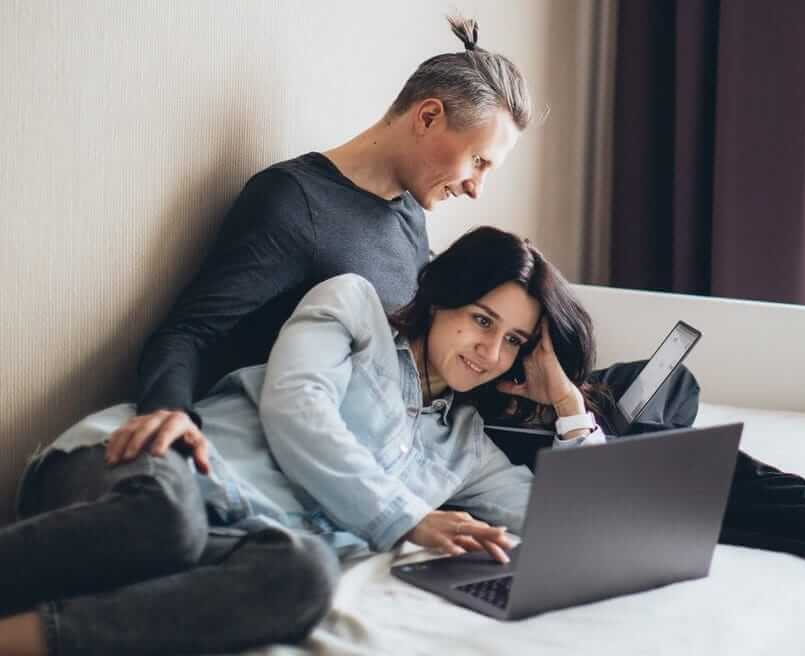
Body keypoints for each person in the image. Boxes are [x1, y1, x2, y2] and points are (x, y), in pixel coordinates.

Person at [0, 227, 607, 655]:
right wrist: (408, 518)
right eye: (482, 320)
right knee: (168, 518)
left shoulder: (466, 447)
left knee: (306, 573)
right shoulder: (353, 306)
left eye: (514, 342)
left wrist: (566, 404)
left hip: (234, 540)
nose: (490, 351)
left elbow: (579, 521)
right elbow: (298, 410)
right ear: (445, 296)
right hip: (148, 468)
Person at [117, 15, 530, 464]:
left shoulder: (409, 212)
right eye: (477, 162)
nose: (476, 187)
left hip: (373, 453)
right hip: (279, 450)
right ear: (428, 116)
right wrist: (168, 411)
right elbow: (189, 330)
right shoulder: (293, 202)